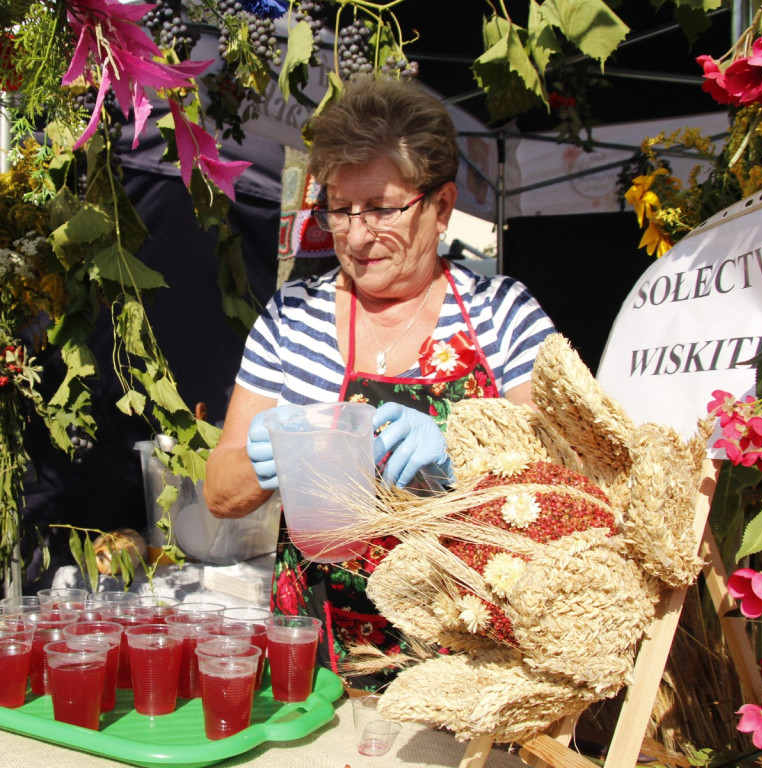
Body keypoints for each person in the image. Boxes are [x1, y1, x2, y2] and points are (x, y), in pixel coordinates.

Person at [203, 77, 556, 690]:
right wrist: (263, 462)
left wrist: (464, 462)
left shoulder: (505, 314)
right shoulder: (292, 318)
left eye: (383, 208)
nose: (357, 234)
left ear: (441, 206)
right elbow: (218, 490)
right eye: (340, 208)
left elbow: (570, 480)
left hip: (469, 661)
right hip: (315, 660)